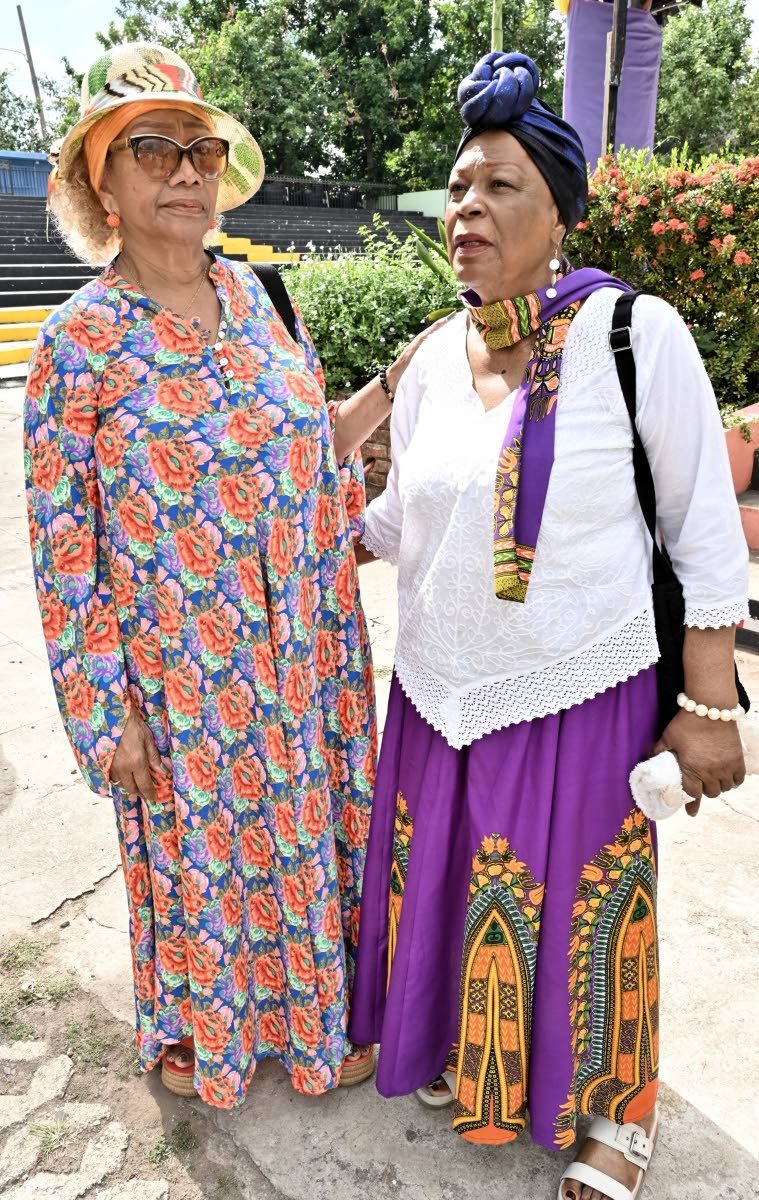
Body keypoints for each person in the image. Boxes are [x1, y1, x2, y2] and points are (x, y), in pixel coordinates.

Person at [347, 52, 748, 1200]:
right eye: (457, 188)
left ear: (560, 214)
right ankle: (467, 1062)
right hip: (437, 695)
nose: (467, 209)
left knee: (587, 913)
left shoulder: (634, 333)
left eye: (501, 186)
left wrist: (709, 704)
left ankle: (616, 1116)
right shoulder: (435, 357)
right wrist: (313, 540)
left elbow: (702, 528)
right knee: (454, 899)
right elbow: (402, 516)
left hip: (579, 691)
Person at [24, 41, 428, 1109]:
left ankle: (322, 1017)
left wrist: (392, 386)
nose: (185, 171)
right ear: (100, 184)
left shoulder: (264, 298)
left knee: (309, 843)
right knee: (207, 858)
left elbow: (306, 459)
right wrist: (105, 712)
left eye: (201, 150)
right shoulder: (77, 344)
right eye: (151, 149)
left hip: (303, 653)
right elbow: (64, 549)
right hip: (182, 680)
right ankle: (209, 1028)